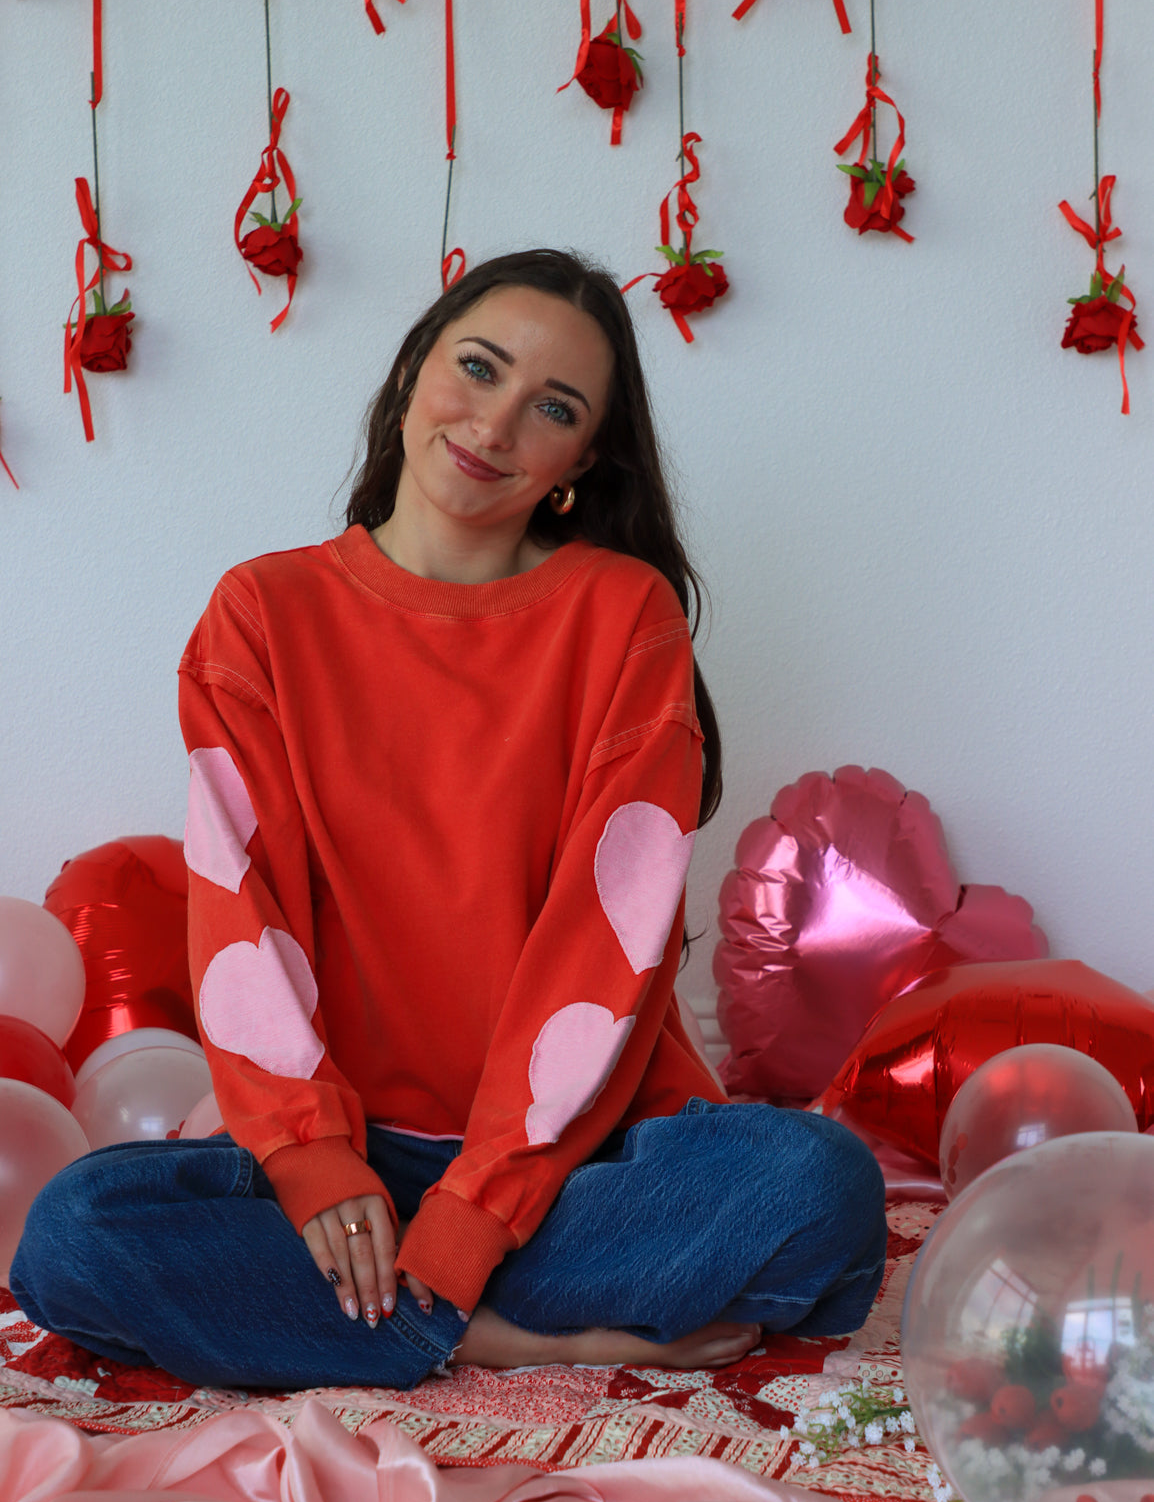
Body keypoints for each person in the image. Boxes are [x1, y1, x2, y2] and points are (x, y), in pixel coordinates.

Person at [11, 250, 886, 1391]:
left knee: (817, 1183)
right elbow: (242, 913)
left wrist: (478, 1207)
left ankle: (376, 1318)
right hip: (340, 1167)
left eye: (552, 409)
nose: (494, 422)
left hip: (576, 1161)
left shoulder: (620, 615)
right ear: (415, 365)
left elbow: (604, 942)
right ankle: (494, 1337)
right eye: (477, 368)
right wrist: (318, 1162)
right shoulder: (263, 612)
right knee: (72, 1236)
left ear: (580, 463)